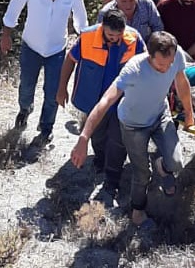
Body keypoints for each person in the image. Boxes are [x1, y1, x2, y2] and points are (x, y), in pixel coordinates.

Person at [70, 31, 195, 226]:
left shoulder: (175, 54)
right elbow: (105, 101)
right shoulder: (134, 69)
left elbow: (181, 81)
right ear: (149, 56)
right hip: (133, 125)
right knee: (141, 172)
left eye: (169, 63)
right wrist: (84, 137)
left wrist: (189, 112)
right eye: (161, 65)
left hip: (160, 115)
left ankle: (162, 167)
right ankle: (138, 210)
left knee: (176, 162)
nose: (166, 68)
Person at [0, 0, 89, 142]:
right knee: (26, 87)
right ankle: (25, 109)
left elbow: (82, 22)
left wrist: (85, 48)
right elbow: (14, 8)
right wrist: (6, 35)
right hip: (31, 46)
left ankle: (46, 127)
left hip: (57, 50)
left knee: (53, 91)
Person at [57, 10, 144, 195]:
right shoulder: (88, 36)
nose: (114, 38)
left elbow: (145, 65)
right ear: (102, 27)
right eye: (110, 34)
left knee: (118, 139)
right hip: (95, 100)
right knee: (97, 135)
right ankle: (100, 160)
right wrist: (61, 88)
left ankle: (113, 177)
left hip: (122, 100)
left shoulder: (134, 38)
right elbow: (70, 60)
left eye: (118, 35)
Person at [98, 0, 164, 40]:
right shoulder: (105, 13)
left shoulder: (146, 4)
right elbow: (100, 37)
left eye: (131, 0)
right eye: (124, 1)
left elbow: (158, 28)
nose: (128, 5)